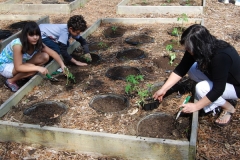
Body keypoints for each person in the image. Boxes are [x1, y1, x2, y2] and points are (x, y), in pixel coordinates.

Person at [153, 24, 240, 126]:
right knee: (191, 68)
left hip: (236, 87)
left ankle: (227, 107)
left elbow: (218, 89)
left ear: (199, 47)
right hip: (220, 79)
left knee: (201, 88)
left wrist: (196, 106)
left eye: (189, 49)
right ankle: (211, 95)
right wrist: (164, 89)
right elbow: (181, 69)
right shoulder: (203, 48)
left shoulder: (221, 57)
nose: (187, 50)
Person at [0, 21, 66, 92]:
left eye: (37, 35)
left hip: (21, 62)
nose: (35, 38)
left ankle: (24, 74)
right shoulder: (18, 45)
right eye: (31, 35)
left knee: (45, 56)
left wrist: (63, 66)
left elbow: (52, 53)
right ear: (25, 35)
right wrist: (37, 68)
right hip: (6, 66)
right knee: (33, 69)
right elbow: (18, 67)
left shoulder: (37, 43)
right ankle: (10, 81)